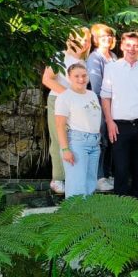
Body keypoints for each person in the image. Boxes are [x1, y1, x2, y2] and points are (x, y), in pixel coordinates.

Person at [101, 32, 138, 199]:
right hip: (119, 126)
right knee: (121, 170)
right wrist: (110, 122)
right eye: (128, 45)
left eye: (135, 46)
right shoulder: (111, 68)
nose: (132, 49)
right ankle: (120, 209)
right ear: (121, 46)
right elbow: (105, 97)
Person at [41, 27, 91, 195]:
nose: (83, 43)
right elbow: (47, 79)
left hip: (77, 106)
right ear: (70, 39)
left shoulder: (84, 61)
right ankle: (57, 179)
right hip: (58, 102)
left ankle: (72, 178)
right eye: (80, 39)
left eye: (86, 40)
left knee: (73, 140)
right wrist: (70, 95)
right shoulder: (60, 56)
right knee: (58, 138)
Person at [53, 62, 102, 198]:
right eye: (77, 76)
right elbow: (60, 125)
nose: (81, 79)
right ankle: (73, 212)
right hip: (77, 143)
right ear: (69, 77)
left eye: (84, 75)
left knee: (90, 184)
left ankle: (87, 212)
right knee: (77, 186)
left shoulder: (92, 95)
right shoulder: (64, 97)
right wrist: (65, 150)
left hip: (94, 143)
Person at [87, 24, 117, 191]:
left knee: (111, 140)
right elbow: (96, 86)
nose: (107, 39)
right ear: (96, 39)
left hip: (114, 106)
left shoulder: (113, 56)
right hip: (99, 105)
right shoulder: (95, 57)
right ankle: (98, 177)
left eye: (109, 36)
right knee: (101, 141)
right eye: (103, 36)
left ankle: (108, 173)